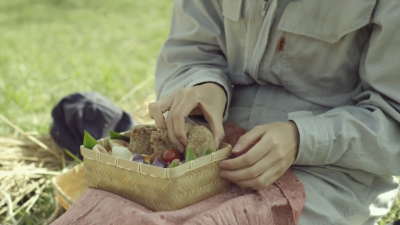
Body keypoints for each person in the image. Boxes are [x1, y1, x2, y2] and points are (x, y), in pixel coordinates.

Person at [148, 0, 400, 224]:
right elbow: (189, 51)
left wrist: (301, 138)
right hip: (207, 162)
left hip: (330, 176)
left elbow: (393, 120)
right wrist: (204, 85)